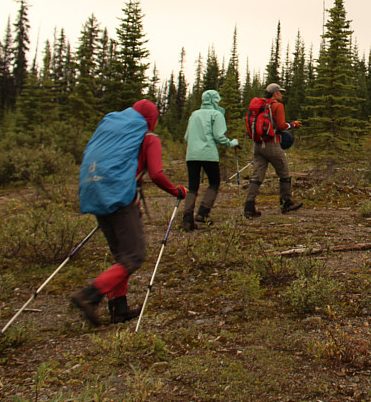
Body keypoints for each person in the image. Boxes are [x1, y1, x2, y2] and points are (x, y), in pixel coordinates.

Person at [71, 99, 187, 326]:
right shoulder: (149, 139)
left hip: (99, 195)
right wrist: (177, 191)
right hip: (122, 202)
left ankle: (118, 310)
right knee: (134, 257)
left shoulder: (117, 137)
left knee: (120, 257)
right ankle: (89, 295)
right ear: (152, 119)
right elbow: (156, 174)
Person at [181, 89, 239, 231]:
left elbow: (187, 137)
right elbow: (219, 136)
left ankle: (187, 219)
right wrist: (232, 143)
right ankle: (203, 213)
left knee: (192, 186)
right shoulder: (216, 114)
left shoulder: (194, 114)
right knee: (214, 182)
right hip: (208, 154)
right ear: (214, 100)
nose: (219, 102)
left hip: (192, 155)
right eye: (218, 99)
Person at [244, 83, 302, 216]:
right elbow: (281, 126)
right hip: (272, 144)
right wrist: (293, 125)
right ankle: (286, 203)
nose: (281, 95)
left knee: (257, 175)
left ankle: (249, 206)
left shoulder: (261, 107)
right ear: (275, 93)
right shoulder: (277, 106)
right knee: (284, 172)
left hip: (258, 145)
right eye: (280, 92)